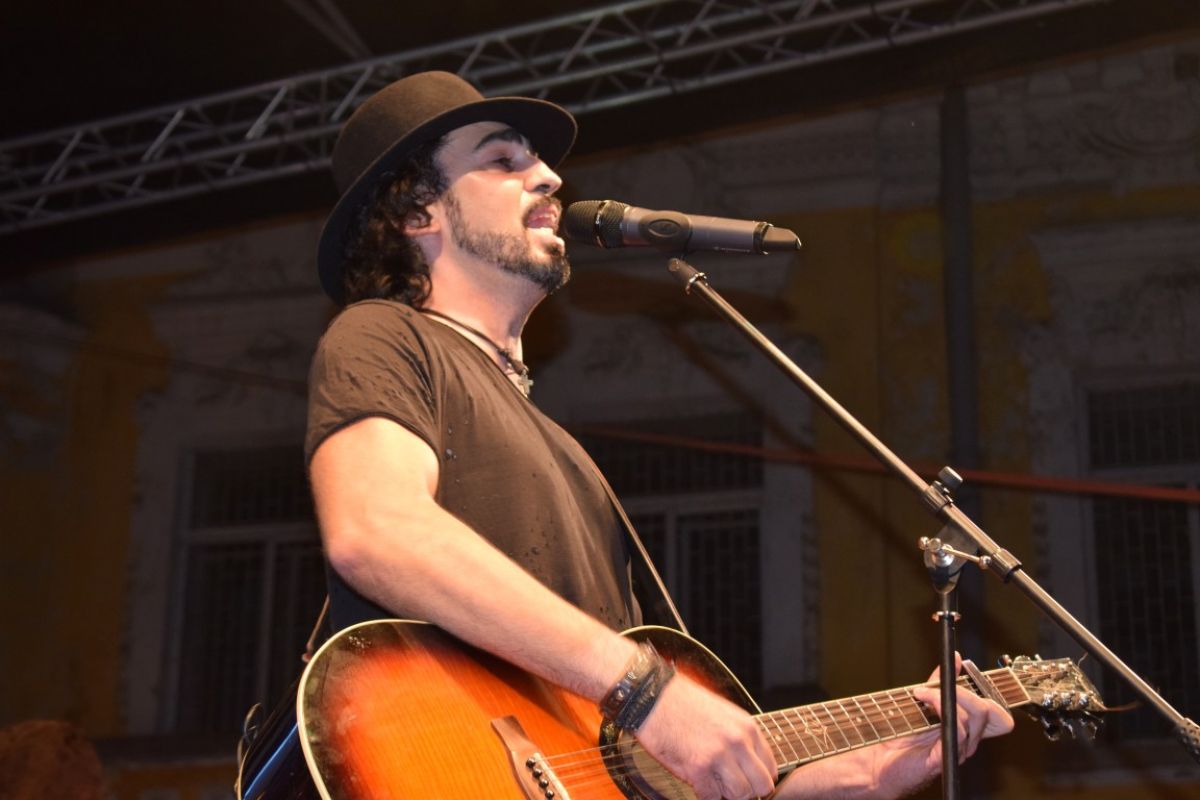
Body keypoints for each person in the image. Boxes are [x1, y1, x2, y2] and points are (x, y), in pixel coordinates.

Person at [305, 70, 1013, 800]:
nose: (549, 178)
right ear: (416, 212)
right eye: (504, 159)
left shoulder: (561, 451)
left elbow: (630, 771)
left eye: (538, 160)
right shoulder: (383, 336)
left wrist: (866, 773)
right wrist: (644, 689)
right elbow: (376, 530)